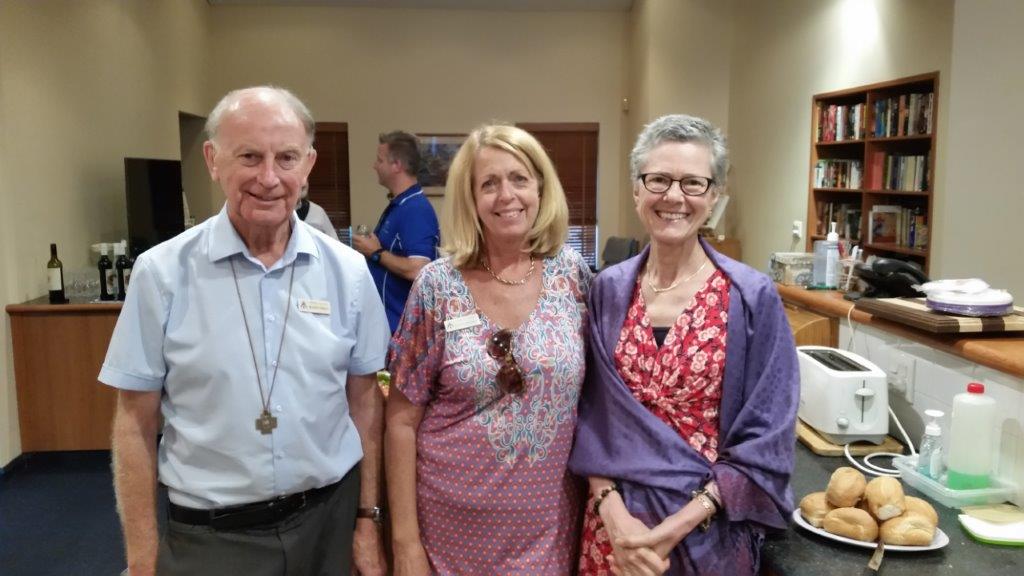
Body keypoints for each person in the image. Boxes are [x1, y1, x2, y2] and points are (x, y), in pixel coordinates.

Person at [100, 86, 389, 576]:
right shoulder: (162, 273)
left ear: (309, 165)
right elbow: (134, 423)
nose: (269, 178)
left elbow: (365, 402)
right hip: (210, 538)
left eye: (287, 158)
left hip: (328, 526)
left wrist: (367, 521)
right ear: (213, 160)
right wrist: (142, 557)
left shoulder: (348, 273)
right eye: (250, 156)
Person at [568, 114, 799, 576]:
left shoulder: (751, 297)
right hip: (613, 533)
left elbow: (769, 435)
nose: (674, 197)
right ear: (637, 190)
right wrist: (615, 519)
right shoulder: (607, 291)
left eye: (693, 183)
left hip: (706, 534)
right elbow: (589, 414)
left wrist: (674, 527)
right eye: (659, 180)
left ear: (713, 197)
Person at [385, 124, 593, 575]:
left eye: (519, 178)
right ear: (471, 198)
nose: (506, 195)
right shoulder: (437, 286)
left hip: (550, 532)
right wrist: (405, 545)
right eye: (489, 184)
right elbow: (401, 420)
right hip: (450, 534)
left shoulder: (573, 275)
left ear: (540, 186)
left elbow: (599, 398)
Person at [352, 131, 440, 333]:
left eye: (379, 160)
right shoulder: (399, 204)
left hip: (404, 332)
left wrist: (376, 253)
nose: (374, 166)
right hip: (386, 326)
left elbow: (419, 269)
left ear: (397, 165)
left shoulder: (415, 209)